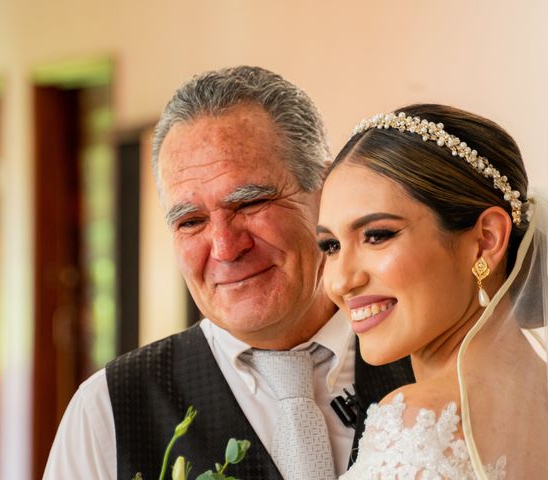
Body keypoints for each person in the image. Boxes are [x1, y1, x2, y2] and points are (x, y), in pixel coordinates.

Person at [43, 66, 413, 480]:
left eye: (249, 203)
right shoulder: (107, 411)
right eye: (191, 221)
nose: (225, 247)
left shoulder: (434, 362)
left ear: (324, 189)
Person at [317, 104, 548, 478]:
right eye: (330, 246)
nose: (341, 282)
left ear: (485, 241)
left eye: (377, 236)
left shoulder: (417, 423)